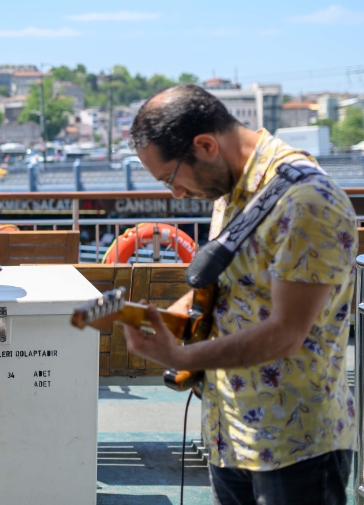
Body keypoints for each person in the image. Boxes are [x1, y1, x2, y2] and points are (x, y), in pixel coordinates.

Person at [125, 85, 355, 505]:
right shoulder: (231, 190)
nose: (176, 194)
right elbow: (231, 292)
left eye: (171, 178)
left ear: (206, 145)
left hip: (293, 441)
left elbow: (286, 333)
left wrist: (181, 358)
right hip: (229, 430)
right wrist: (159, 319)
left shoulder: (307, 201)